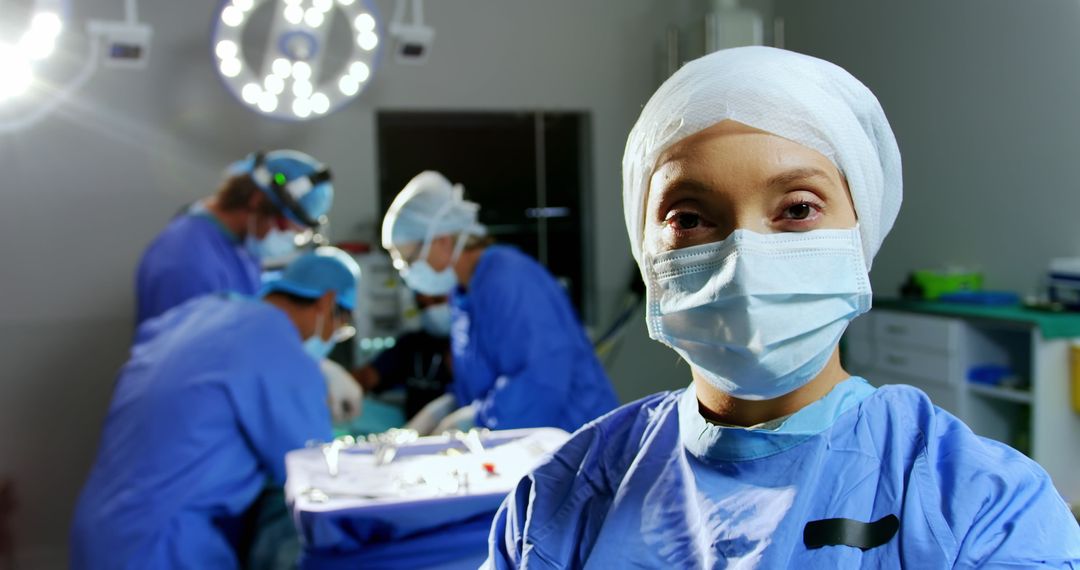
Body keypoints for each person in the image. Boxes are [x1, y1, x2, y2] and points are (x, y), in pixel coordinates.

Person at [485, 46, 1080, 568]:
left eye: (797, 208)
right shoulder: (563, 500)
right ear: (645, 251)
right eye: (689, 218)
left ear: (860, 231)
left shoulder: (981, 507)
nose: (743, 258)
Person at [71, 247, 360, 569]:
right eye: (341, 323)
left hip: (100, 527)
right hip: (163, 545)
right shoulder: (274, 340)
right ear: (327, 302)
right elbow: (316, 468)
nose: (335, 335)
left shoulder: (202, 313)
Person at [381, 171, 618, 433]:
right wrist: (446, 408)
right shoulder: (464, 297)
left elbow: (541, 379)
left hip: (578, 445)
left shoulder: (509, 280)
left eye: (409, 260)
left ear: (443, 242)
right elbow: (479, 382)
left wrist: (476, 420)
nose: (407, 272)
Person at [134, 149, 334, 325]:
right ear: (256, 201)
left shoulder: (236, 244)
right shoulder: (186, 262)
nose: (287, 239)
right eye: (284, 228)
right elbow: (186, 357)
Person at [353, 292, 455, 420]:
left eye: (437, 300)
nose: (430, 310)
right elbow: (368, 377)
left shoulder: (467, 345)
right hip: (415, 432)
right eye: (422, 305)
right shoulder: (411, 345)